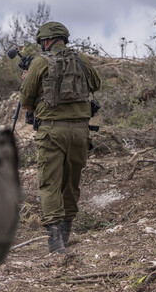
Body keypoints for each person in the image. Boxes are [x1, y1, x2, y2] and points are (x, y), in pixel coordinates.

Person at [20, 21, 101, 253]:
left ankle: (56, 244)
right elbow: (97, 84)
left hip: (52, 131)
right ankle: (66, 233)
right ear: (64, 38)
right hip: (80, 131)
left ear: (46, 41)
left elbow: (25, 100)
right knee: (71, 182)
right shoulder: (81, 60)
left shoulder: (40, 62)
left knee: (49, 183)